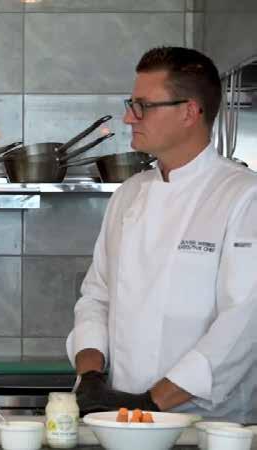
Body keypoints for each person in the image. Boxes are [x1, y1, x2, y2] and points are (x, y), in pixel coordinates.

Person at [67, 46, 257, 422]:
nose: (128, 117)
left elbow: (243, 323)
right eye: (131, 104)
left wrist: (152, 402)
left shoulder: (243, 196)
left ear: (189, 111)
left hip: (209, 427)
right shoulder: (129, 194)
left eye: (143, 106)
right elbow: (96, 296)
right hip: (122, 419)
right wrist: (90, 375)